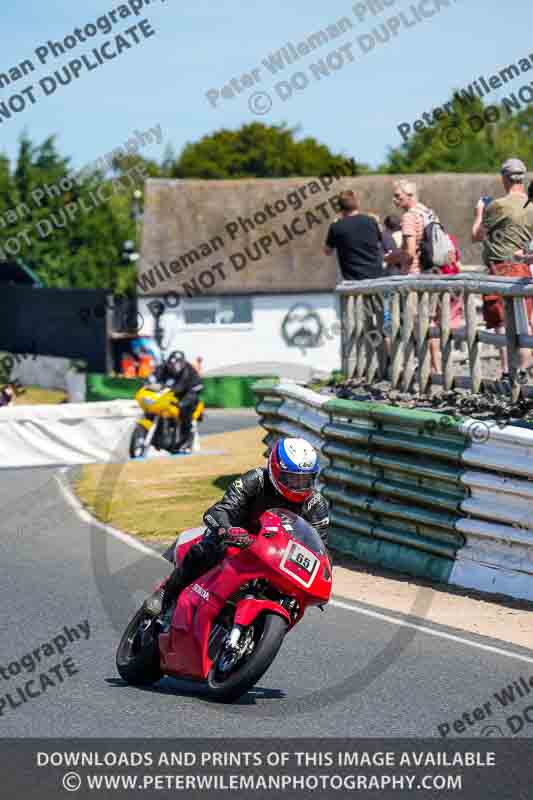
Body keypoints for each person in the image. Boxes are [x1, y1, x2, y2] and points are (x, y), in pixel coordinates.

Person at [146, 437, 330, 627]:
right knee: (207, 549)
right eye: (291, 478)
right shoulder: (256, 480)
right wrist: (228, 530)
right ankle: (166, 593)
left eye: (304, 479)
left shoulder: (316, 504)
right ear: (275, 470)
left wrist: (321, 579)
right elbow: (219, 510)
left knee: (292, 601)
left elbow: (319, 549)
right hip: (237, 539)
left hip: (274, 557)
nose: (298, 485)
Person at [472, 158, 533, 378]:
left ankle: (510, 370)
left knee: (503, 323)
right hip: (523, 269)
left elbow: (477, 235)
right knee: (524, 323)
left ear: (504, 178)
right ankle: (523, 370)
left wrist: (480, 212)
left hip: (500, 270)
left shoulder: (497, 206)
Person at [150, 350, 203, 452]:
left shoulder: (188, 370)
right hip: (169, 394)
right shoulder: (163, 367)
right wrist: (150, 381)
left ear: (182, 363)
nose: (174, 366)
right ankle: (156, 436)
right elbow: (154, 376)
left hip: (188, 394)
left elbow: (189, 386)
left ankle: (186, 440)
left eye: (177, 363)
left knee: (184, 409)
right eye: (172, 363)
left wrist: (182, 401)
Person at [323, 190, 383, 282]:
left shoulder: (336, 226)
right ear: (357, 203)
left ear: (339, 207)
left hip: (353, 280)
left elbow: (327, 251)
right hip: (376, 277)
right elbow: (379, 243)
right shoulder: (371, 221)